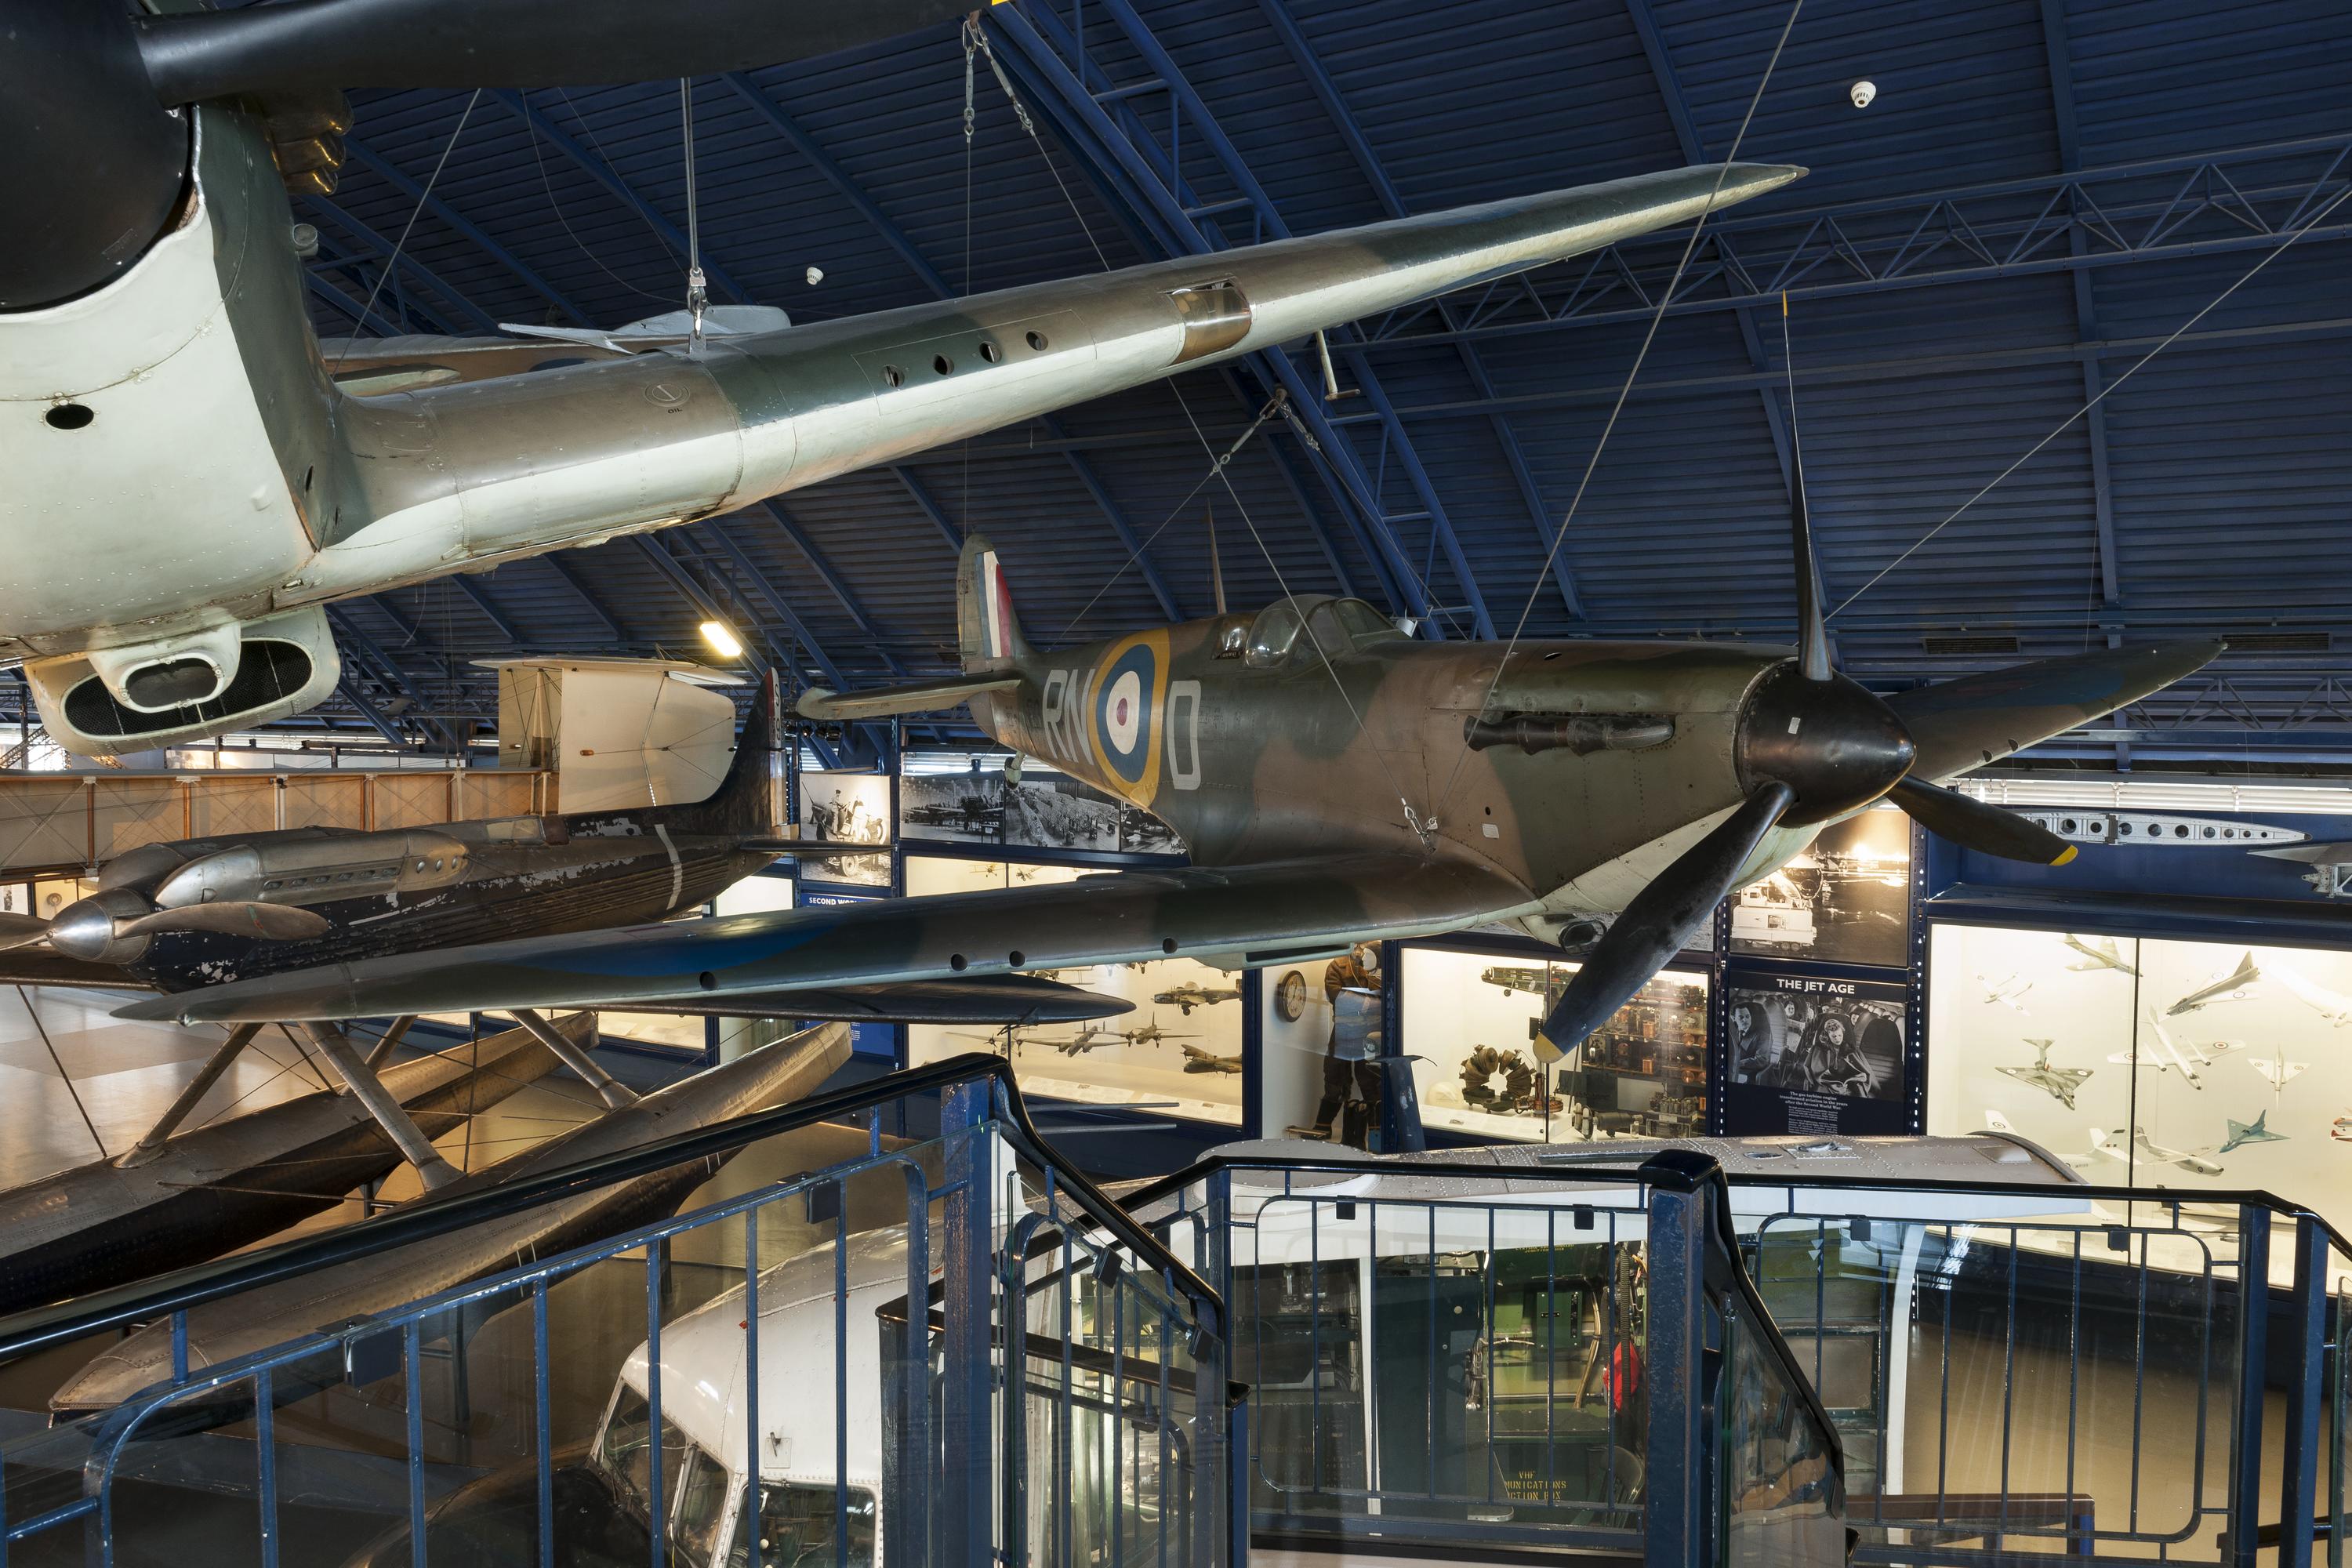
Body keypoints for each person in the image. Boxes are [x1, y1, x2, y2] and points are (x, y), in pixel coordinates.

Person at [1295, 943, 1384, 1148]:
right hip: (1344, 1030)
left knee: (1371, 1080)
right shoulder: (1337, 965)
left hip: (1371, 1032)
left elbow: (1389, 994)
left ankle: (1377, 1137)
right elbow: (1336, 995)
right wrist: (1369, 1002)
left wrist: (1363, 1001)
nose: (1360, 947)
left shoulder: (1380, 959)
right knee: (1334, 1077)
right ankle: (1323, 1127)